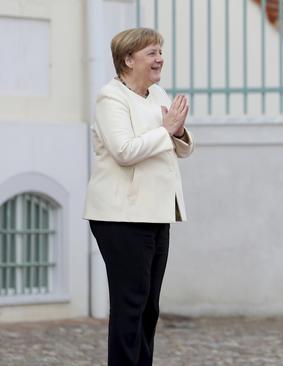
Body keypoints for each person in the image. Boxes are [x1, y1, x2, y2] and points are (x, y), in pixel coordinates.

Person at [84, 27, 193, 366]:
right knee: (130, 305)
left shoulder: (158, 93)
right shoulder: (110, 98)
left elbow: (181, 147)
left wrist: (177, 131)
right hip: (121, 217)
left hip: (157, 213)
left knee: (149, 306)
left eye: (160, 51)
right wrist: (166, 130)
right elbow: (124, 151)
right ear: (128, 60)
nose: (160, 58)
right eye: (151, 52)